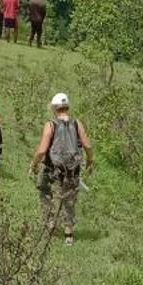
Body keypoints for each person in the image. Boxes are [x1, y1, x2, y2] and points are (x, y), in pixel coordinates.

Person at [30, 92, 93, 245]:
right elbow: (87, 145)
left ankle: (50, 225)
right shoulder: (77, 123)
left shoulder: (51, 124)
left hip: (53, 167)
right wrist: (91, 161)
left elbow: (42, 150)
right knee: (69, 199)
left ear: (54, 108)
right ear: (68, 107)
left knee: (45, 192)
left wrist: (34, 164)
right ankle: (69, 236)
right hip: (72, 168)